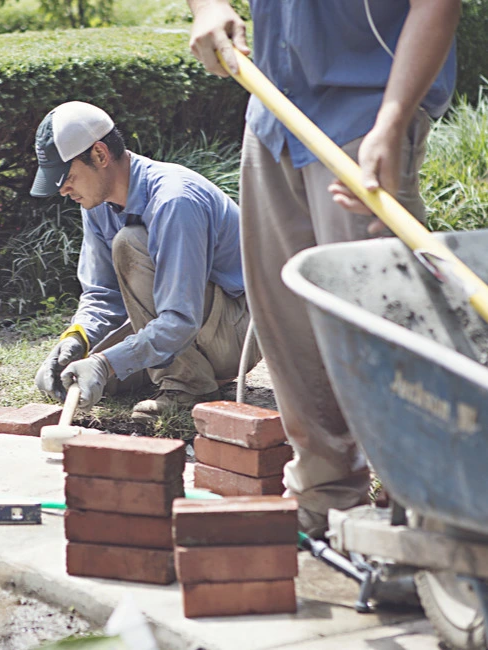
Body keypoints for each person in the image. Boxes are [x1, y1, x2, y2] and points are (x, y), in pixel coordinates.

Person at [186, 0, 460, 537]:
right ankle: (323, 498)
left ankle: (434, 521)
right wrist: (208, 7)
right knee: (287, 324)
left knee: (384, 332)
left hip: (367, 116)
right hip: (272, 115)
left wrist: (393, 120)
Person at [31, 101, 260, 421]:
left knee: (130, 243)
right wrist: (77, 340)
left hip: (237, 330)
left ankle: (188, 385)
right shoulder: (96, 205)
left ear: (99, 155)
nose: (63, 190)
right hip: (192, 324)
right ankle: (181, 372)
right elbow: (102, 294)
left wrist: (105, 362)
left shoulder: (174, 200)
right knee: (81, 379)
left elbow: (181, 319)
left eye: (67, 177)